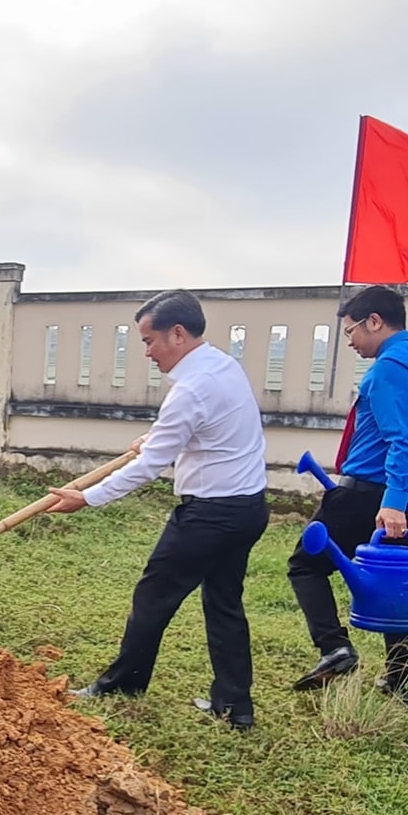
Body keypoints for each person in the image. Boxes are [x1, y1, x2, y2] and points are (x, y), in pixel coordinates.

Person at [47, 290, 269, 728]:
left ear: (178, 334)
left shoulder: (191, 388)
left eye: (149, 341)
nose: (146, 351)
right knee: (224, 603)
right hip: (248, 508)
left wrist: (87, 497)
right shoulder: (224, 366)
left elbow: (150, 467)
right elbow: (207, 432)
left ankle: (122, 684)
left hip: (209, 516)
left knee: (153, 596)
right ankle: (235, 705)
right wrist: (155, 439)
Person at [288, 285, 408, 703]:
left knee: (305, 566)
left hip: (371, 498)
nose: (350, 340)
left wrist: (393, 496)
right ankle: (403, 684)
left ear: (375, 322)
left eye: (352, 330)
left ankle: (335, 647)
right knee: (395, 587)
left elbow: (402, 439)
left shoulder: (390, 366)